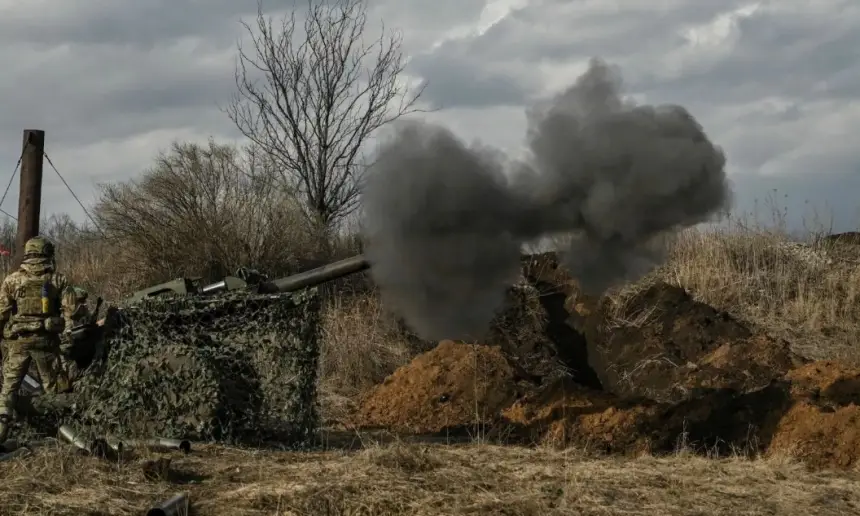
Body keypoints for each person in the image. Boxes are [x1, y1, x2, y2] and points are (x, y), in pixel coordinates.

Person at [0, 236, 76, 442]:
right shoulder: (58, 279)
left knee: (8, 391)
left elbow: (2, 314)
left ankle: (1, 433)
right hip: (47, 343)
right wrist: (67, 340)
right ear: (47, 253)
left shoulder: (11, 280)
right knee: (54, 391)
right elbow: (72, 313)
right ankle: (61, 435)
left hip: (18, 343)